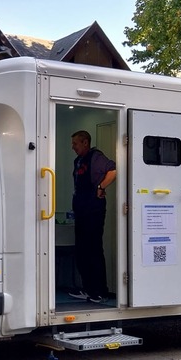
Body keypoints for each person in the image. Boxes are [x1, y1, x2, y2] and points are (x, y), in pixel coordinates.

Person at [69, 130, 117, 303]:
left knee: (93, 250)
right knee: (81, 250)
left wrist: (101, 187)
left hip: (93, 210)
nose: (72, 147)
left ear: (85, 143)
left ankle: (100, 291)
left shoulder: (95, 157)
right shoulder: (78, 161)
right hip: (81, 211)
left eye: (75, 143)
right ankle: (88, 288)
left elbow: (112, 170)